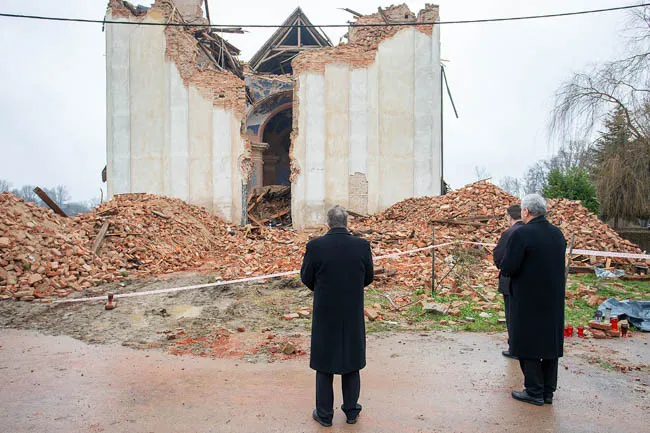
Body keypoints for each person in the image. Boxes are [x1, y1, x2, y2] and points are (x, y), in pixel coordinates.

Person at [300, 205, 374, 427]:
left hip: (325, 312)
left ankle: (324, 414)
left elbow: (306, 277)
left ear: (328, 223)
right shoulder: (362, 246)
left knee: (324, 363)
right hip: (352, 311)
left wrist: (323, 289)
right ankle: (351, 412)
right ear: (347, 223)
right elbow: (368, 277)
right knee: (351, 361)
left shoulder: (315, 246)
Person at [500, 194, 566, 406]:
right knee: (549, 343)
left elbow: (508, 267)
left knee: (526, 342)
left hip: (527, 298)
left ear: (526, 212)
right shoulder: (557, 234)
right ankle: (548, 392)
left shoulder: (522, 234)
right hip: (553, 298)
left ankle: (533, 390)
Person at [493, 204, 523, 359]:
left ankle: (515, 348)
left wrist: (503, 267)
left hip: (510, 281)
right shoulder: (531, 231)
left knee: (512, 315)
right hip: (530, 282)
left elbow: (498, 255)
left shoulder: (510, 233)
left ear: (510, 216)